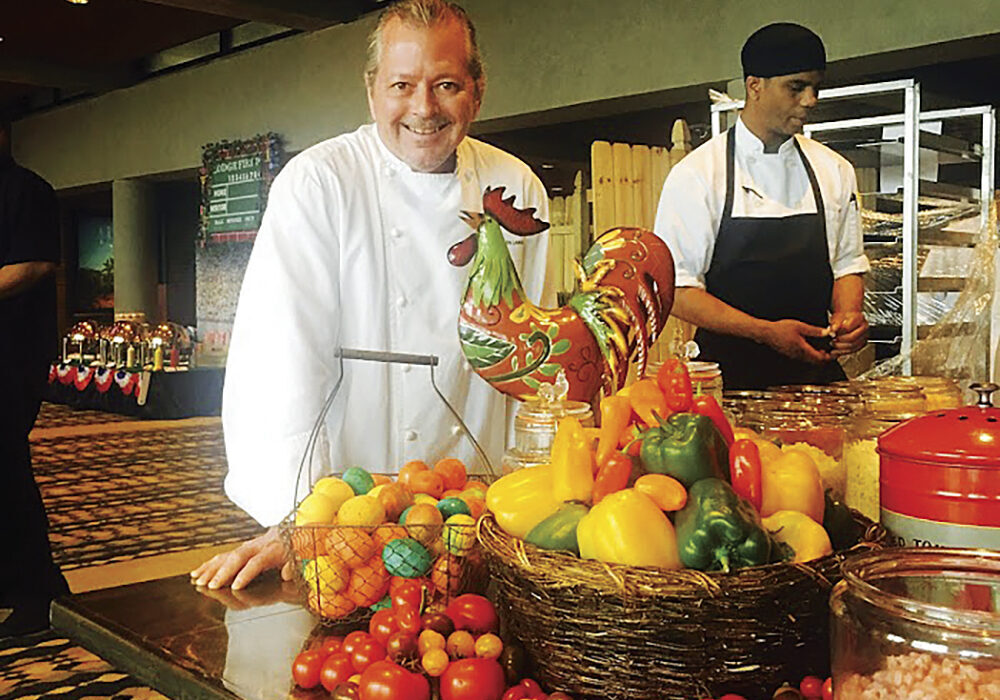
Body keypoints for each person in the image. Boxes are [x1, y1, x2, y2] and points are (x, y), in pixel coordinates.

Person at [192, 0, 551, 590]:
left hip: (476, 514)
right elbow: (281, 362)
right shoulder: (319, 183)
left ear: (478, 91)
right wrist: (298, 521)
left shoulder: (515, 185)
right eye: (402, 85)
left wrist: (530, 503)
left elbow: (530, 366)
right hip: (347, 528)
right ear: (371, 91)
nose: (424, 108)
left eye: (447, 84)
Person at [654, 23, 869, 390]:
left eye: (816, 87)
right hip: (726, 384)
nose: (811, 100)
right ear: (755, 86)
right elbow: (678, 291)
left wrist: (850, 315)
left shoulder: (834, 170)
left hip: (816, 382)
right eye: (796, 87)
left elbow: (847, 265)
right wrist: (764, 332)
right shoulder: (698, 174)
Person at [0, 117, 69, 637]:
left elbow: (35, 265)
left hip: (12, 357)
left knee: (6, 467)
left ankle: (39, 593)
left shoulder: (27, 190)